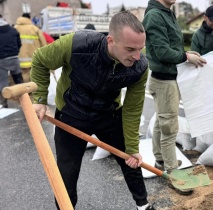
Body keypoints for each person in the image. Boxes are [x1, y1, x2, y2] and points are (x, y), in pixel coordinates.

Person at [31, 11, 155, 210]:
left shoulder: (139, 67)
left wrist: (132, 148)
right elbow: (40, 60)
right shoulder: (77, 45)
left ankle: (144, 205)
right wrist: (39, 100)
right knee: (66, 174)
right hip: (71, 115)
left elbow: (132, 110)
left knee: (131, 160)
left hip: (108, 114)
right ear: (111, 40)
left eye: (141, 48)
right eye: (130, 49)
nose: (137, 56)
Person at [142, 0, 206, 196]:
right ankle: (173, 173)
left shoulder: (166, 12)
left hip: (166, 79)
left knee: (162, 122)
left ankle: (160, 158)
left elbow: (171, 45)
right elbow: (162, 52)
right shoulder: (155, 15)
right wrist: (186, 57)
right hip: (164, 81)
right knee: (170, 127)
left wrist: (187, 53)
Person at [14, 13, 46, 83]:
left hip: (20, 57)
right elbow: (43, 43)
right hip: (34, 56)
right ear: (29, 19)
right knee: (34, 73)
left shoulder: (15, 28)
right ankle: (33, 89)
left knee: (24, 73)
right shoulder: (34, 28)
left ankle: (27, 89)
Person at [0, 14, 23, 108]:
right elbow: (19, 43)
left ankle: (3, 104)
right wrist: (15, 51)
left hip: (1, 60)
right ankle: (25, 102)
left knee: (3, 81)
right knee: (19, 80)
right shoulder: (12, 29)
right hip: (14, 58)